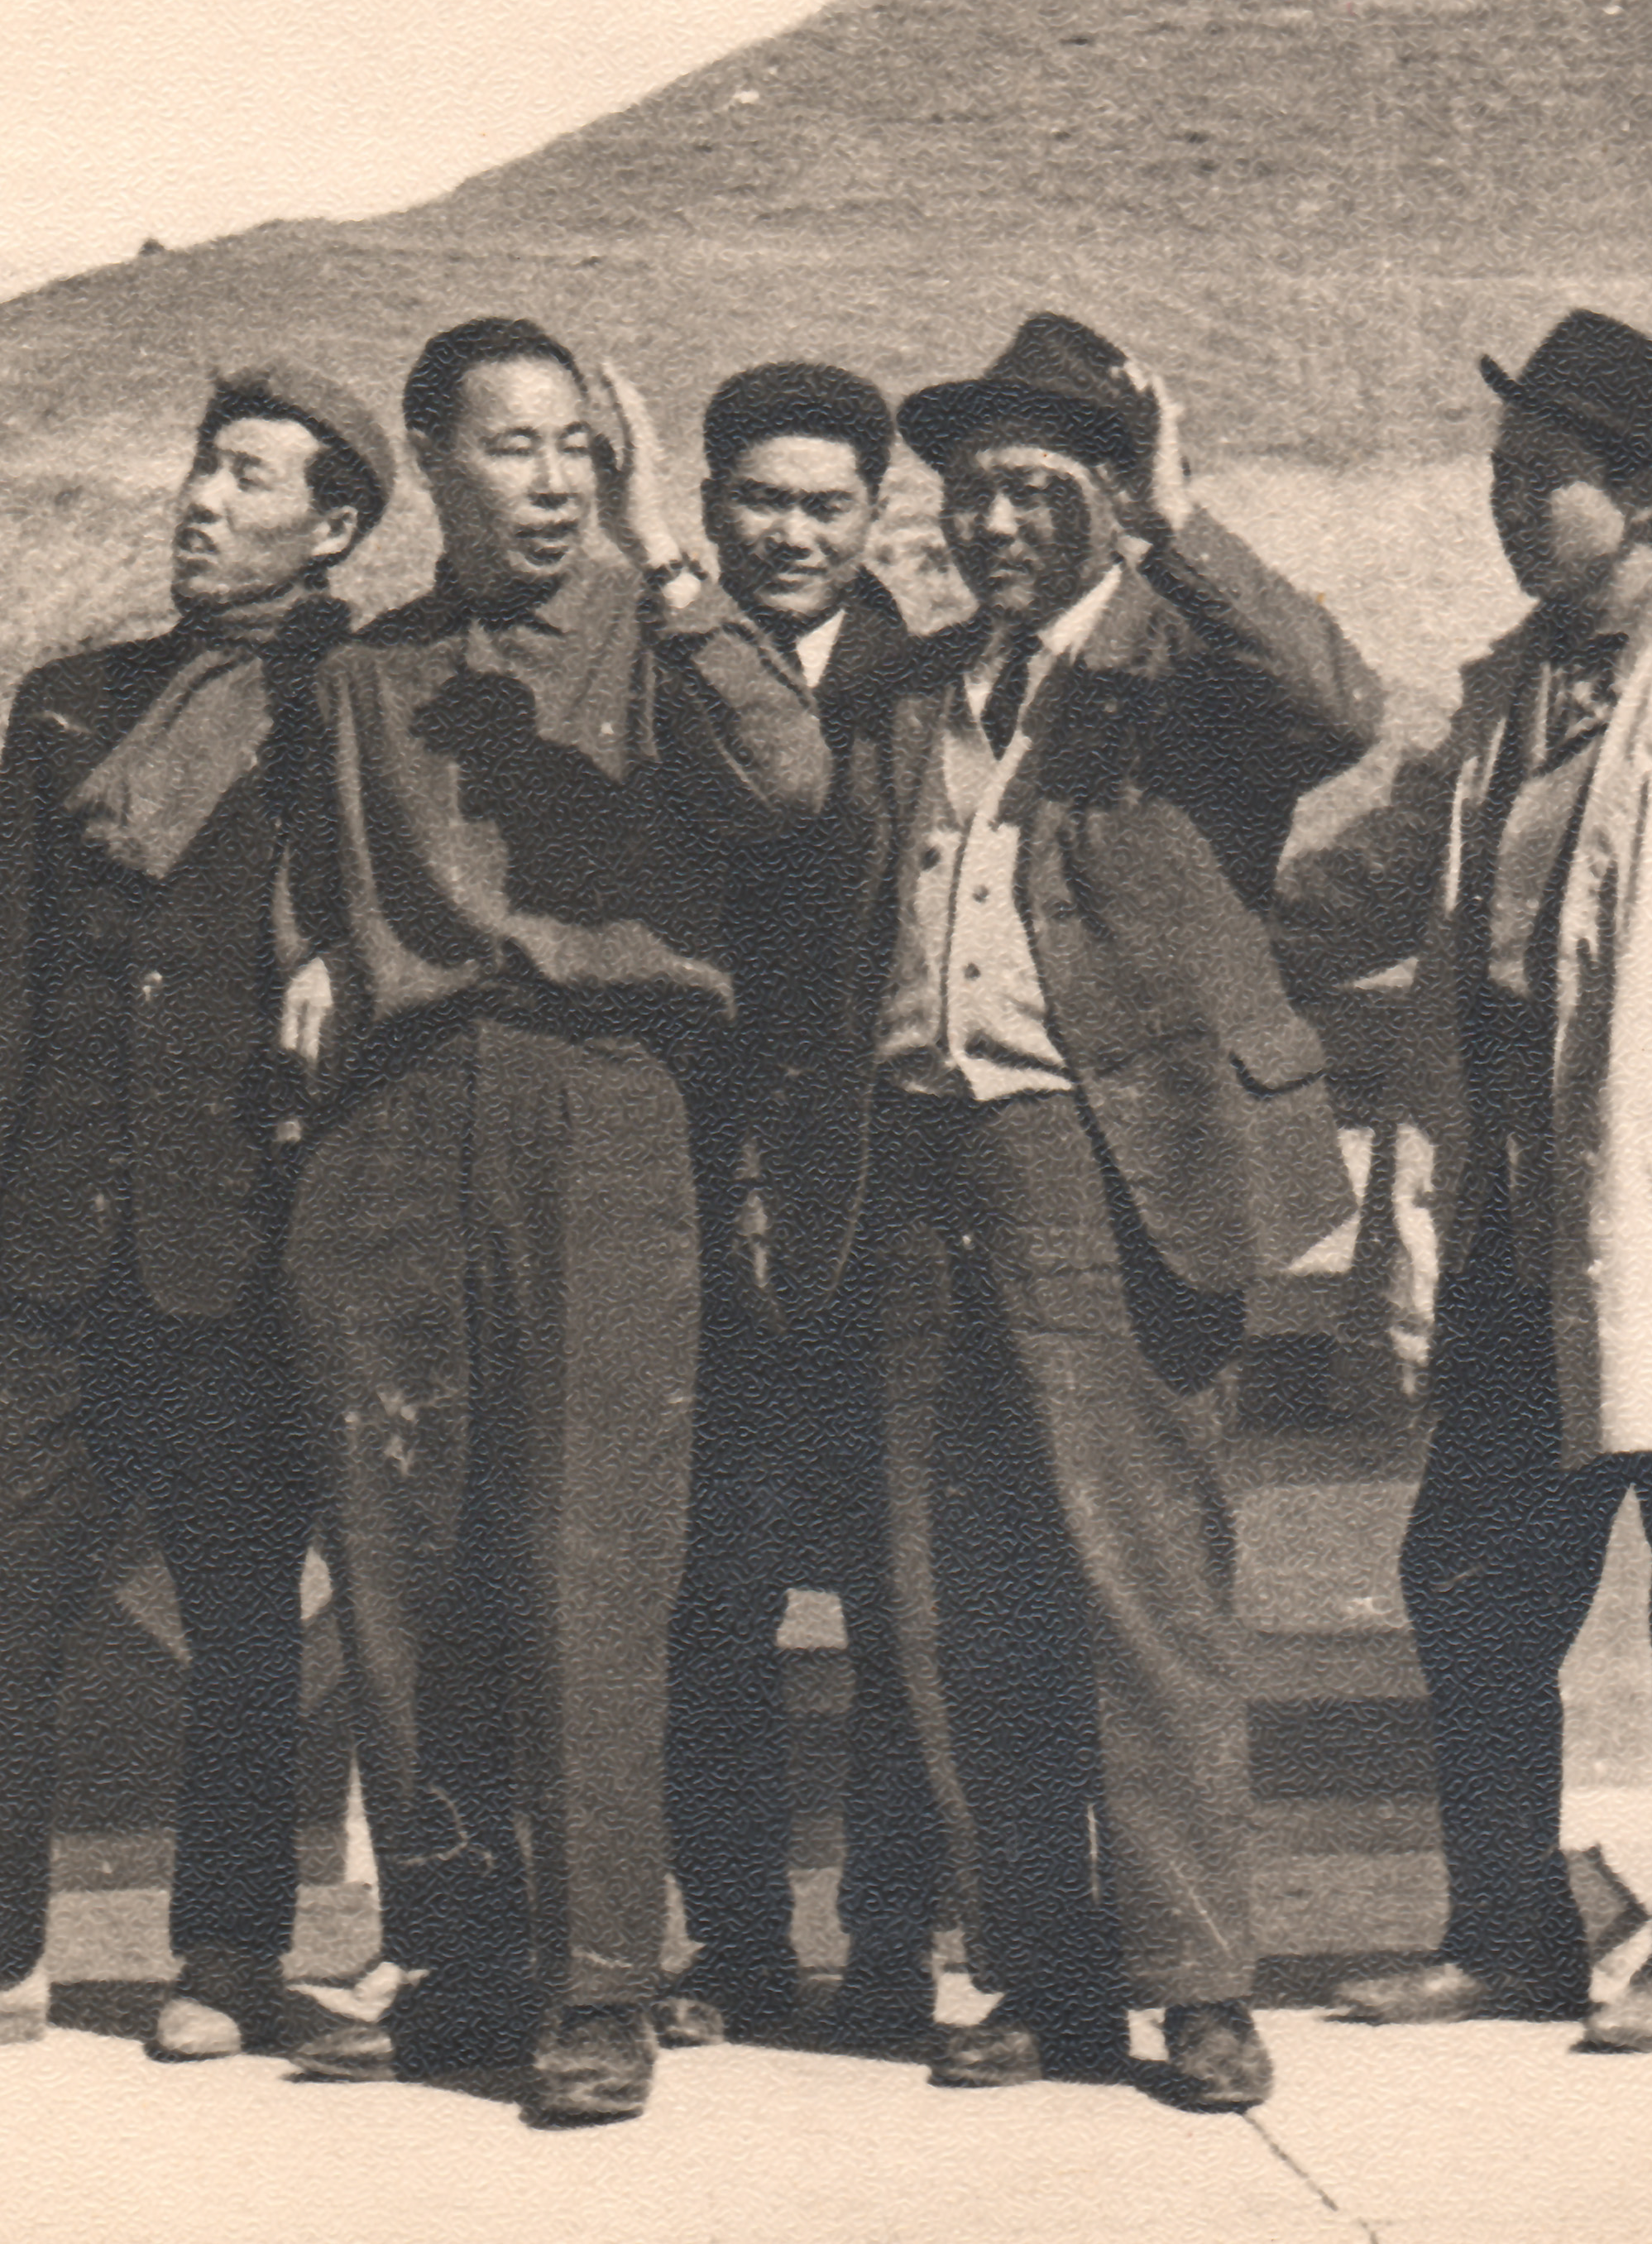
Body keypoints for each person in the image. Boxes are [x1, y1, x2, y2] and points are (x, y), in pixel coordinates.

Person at [1282, 310, 1652, 2051]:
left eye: (1535, 478)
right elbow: (1367, 889)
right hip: (1506, 1230)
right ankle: (1508, 1938)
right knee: (1468, 1584)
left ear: (1640, 494)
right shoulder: (1505, 697)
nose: (1503, 506)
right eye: (1496, 476)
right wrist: (1171, 941)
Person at [812, 313, 1384, 2111]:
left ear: (1108, 497)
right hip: (919, 1168)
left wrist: (1175, 527)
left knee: (1140, 1581)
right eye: (971, 491)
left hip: (1103, 1164)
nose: (994, 525)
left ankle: (1198, 1984)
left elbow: (1336, 704)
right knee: (953, 1594)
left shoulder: (1179, 675)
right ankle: (1038, 1975)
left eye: (1038, 491)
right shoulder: (912, 690)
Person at [275, 317, 831, 2124]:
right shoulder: (364, 675)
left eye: (575, 446)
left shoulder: (662, 632)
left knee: (595, 1552)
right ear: (433, 465)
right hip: (396, 1119)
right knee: (404, 1552)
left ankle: (601, 1983)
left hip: (605, 1104)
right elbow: (315, 891)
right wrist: (309, 957)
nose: (551, 480)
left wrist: (669, 565)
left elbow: (790, 784)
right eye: (510, 447)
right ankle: (462, 1958)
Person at [0, 363, 391, 2068]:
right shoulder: (73, 704)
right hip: (58, 1240)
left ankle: (230, 1953)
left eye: (251, 478)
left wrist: (345, 966)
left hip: (252, 1240)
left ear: (332, 526)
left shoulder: (364, 701)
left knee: (244, 1617)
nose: (202, 501)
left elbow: (404, 915)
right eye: (204, 467)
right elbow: (7, 968)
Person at [654, 362, 946, 2057]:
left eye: (826, 505)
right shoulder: (649, 670)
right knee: (711, 1591)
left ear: (875, 518)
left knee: (909, 1590)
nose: (789, 533)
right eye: (758, 500)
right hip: (691, 1197)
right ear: (708, 508)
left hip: (888, 1207)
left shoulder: (930, 682)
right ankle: (736, 1944)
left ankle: (894, 1941)